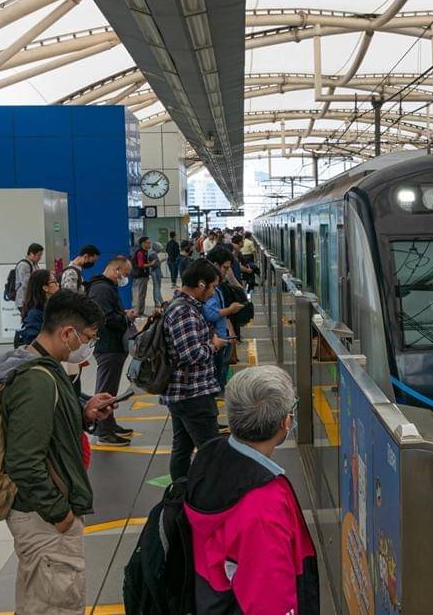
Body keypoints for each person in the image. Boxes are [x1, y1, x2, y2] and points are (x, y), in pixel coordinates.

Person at [0, 290, 117, 615]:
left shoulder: (42, 366)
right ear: (68, 333)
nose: (88, 346)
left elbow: (46, 429)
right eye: (87, 337)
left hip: (44, 513)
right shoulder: (37, 380)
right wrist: (58, 514)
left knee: (42, 601)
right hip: (43, 518)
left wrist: (83, 413)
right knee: (54, 605)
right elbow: (23, 461)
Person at [184, 366, 319, 613]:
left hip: (213, 597)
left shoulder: (211, 456)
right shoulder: (262, 508)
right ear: (285, 422)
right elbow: (270, 599)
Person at [163, 259, 228, 480]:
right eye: (212, 287)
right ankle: (212, 500)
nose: (212, 293)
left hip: (184, 393)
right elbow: (191, 354)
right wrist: (214, 345)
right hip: (193, 394)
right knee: (212, 451)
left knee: (182, 448)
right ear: (201, 284)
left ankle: (181, 493)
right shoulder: (184, 312)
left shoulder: (184, 307)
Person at [86, 256, 137, 445]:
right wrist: (125, 318)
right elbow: (105, 318)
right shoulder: (101, 289)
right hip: (108, 346)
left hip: (112, 346)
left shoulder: (105, 287)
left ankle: (109, 423)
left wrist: (123, 315)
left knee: (110, 388)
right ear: (116, 269)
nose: (125, 278)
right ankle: (104, 432)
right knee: (106, 389)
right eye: (125, 274)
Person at [204, 247, 244, 391]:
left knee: (223, 366)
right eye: (225, 268)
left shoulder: (217, 286)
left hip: (222, 335)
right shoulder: (210, 287)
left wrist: (230, 330)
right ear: (215, 265)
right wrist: (231, 309)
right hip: (216, 339)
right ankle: (217, 392)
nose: (226, 272)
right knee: (219, 368)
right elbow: (210, 313)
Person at [16, 269, 60, 347]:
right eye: (54, 282)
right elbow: (32, 344)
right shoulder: (35, 314)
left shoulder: (50, 308)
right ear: (45, 288)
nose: (58, 284)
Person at [14, 243, 45, 309]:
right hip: (24, 300)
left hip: (31, 299)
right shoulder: (24, 265)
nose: (40, 257)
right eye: (38, 255)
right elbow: (27, 283)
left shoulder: (34, 264)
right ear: (31, 254)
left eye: (41, 255)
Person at [131, 237, 155, 315]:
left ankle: (140, 311)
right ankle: (139, 312)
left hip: (142, 276)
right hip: (141, 276)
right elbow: (140, 265)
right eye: (148, 242)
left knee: (141, 294)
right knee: (141, 294)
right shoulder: (140, 252)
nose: (149, 244)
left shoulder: (144, 252)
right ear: (143, 243)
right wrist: (150, 264)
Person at [148, 241, 164, 309]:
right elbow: (155, 265)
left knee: (157, 287)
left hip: (155, 271)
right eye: (159, 249)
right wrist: (160, 262)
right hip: (155, 272)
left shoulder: (152, 253)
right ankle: (157, 302)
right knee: (157, 287)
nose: (160, 251)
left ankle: (160, 301)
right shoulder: (153, 254)